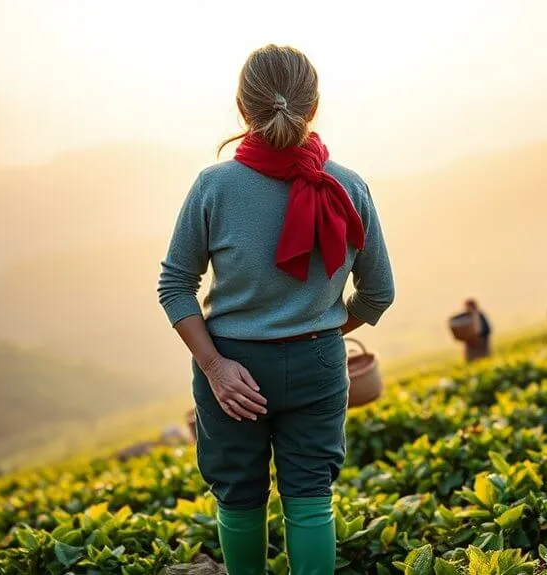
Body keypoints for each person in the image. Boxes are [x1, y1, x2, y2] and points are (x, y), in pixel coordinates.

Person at [157, 45, 395, 575]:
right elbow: (378, 293)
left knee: (239, 495)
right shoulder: (349, 186)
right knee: (310, 498)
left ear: (243, 108)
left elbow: (175, 286)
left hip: (234, 372)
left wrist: (215, 367)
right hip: (319, 364)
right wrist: (322, 328)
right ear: (314, 106)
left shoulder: (214, 187)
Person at [463, 298, 492, 363]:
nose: (467, 309)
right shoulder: (466, 317)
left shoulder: (480, 315)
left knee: (484, 359)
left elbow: (487, 329)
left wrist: (480, 337)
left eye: (468, 306)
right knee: (472, 360)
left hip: (482, 343)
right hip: (471, 344)